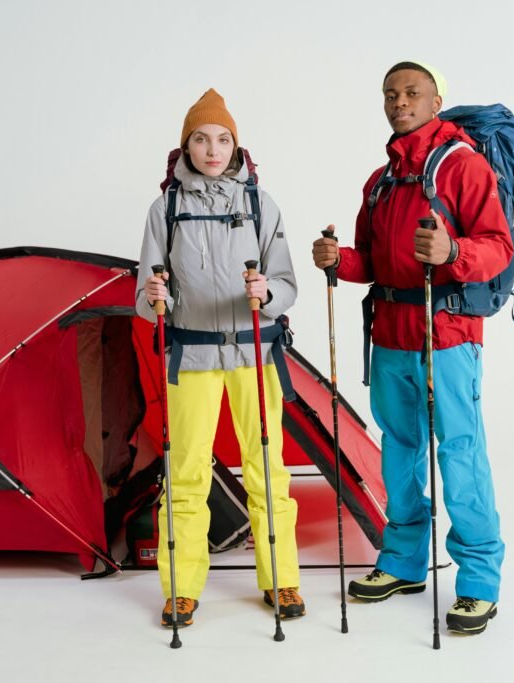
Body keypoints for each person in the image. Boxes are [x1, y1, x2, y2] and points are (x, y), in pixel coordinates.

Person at [311, 62, 513, 635]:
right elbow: (373, 260)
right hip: (392, 335)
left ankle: (477, 580)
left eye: (412, 93)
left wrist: (452, 251)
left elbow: (498, 247)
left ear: (436, 100)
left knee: (459, 451)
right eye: (391, 94)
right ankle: (402, 562)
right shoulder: (380, 181)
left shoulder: (463, 166)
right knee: (399, 450)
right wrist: (340, 261)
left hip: (447, 334)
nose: (400, 101)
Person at [136, 88, 303, 628]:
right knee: (184, 473)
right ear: (186, 146)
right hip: (192, 356)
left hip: (256, 353)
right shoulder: (166, 208)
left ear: (237, 145)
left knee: (267, 467)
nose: (213, 148)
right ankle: (182, 587)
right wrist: (154, 298)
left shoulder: (260, 204)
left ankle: (282, 579)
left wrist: (267, 293)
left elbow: (287, 284)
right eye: (202, 139)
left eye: (223, 139)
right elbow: (144, 297)